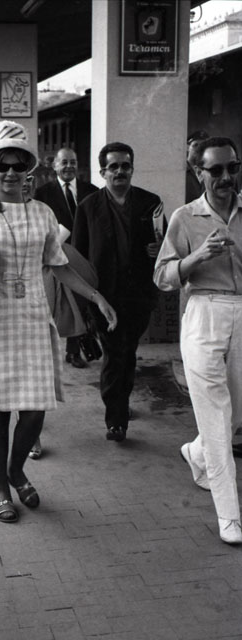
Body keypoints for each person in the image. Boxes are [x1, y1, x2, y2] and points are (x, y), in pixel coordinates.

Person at [0, 121, 117, 524]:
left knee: (35, 410)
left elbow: (59, 264)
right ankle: (1, 486)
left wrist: (96, 297)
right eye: (2, 165)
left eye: (19, 165)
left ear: (29, 170)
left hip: (35, 319)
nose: (11, 172)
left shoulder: (42, 214)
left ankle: (16, 469)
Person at [154, 136, 242, 545]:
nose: (226, 177)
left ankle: (197, 452)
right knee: (215, 417)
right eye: (216, 170)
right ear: (198, 172)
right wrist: (197, 256)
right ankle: (229, 514)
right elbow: (163, 276)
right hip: (205, 312)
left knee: (234, 413)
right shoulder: (185, 217)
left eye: (232, 168)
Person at [72, 142, 164, 443]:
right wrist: (85, 302)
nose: (120, 171)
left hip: (139, 295)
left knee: (128, 352)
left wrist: (158, 250)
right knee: (114, 354)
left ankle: (120, 403)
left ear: (132, 168)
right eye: (114, 166)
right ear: (103, 172)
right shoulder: (88, 207)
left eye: (125, 165)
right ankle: (116, 419)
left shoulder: (151, 203)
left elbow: (166, 244)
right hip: (104, 296)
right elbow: (78, 256)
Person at [35, 148, 98, 368]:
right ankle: (49, 352)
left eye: (73, 162)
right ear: (55, 166)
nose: (69, 166)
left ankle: (74, 350)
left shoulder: (92, 191)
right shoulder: (42, 193)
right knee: (59, 305)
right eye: (64, 162)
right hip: (57, 257)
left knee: (80, 302)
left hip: (85, 254)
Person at [186, 130, 209, 203]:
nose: (199, 149)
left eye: (203, 146)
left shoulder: (209, 170)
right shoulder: (181, 170)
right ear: (187, 147)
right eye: (195, 145)